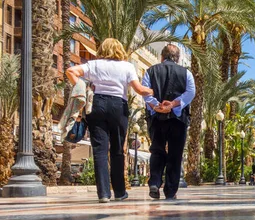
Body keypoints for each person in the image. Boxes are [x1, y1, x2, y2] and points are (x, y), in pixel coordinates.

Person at [66, 38, 154, 203]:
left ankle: (104, 194)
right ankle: (120, 192)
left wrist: (83, 90)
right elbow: (139, 90)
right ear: (119, 50)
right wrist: (154, 91)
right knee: (117, 149)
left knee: (99, 150)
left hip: (96, 105)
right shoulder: (127, 66)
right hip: (118, 107)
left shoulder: (95, 64)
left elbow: (71, 71)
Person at [143, 44, 196, 200]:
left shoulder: (150, 71)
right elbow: (191, 92)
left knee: (157, 150)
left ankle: (154, 182)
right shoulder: (186, 73)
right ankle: (170, 190)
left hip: (156, 118)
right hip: (178, 119)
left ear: (162, 56)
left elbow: (145, 91)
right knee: (175, 153)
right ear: (178, 58)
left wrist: (156, 105)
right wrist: (173, 104)